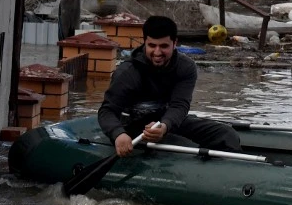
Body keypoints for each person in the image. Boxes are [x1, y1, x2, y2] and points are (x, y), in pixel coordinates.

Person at [98, 15, 241, 157]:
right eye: (152, 46)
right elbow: (107, 111)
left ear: (175, 43)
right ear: (145, 43)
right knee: (183, 148)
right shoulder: (127, 72)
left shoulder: (186, 67)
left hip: (165, 121)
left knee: (227, 134)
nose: (157, 52)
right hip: (133, 128)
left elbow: (180, 105)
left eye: (164, 46)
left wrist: (165, 126)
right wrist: (118, 134)